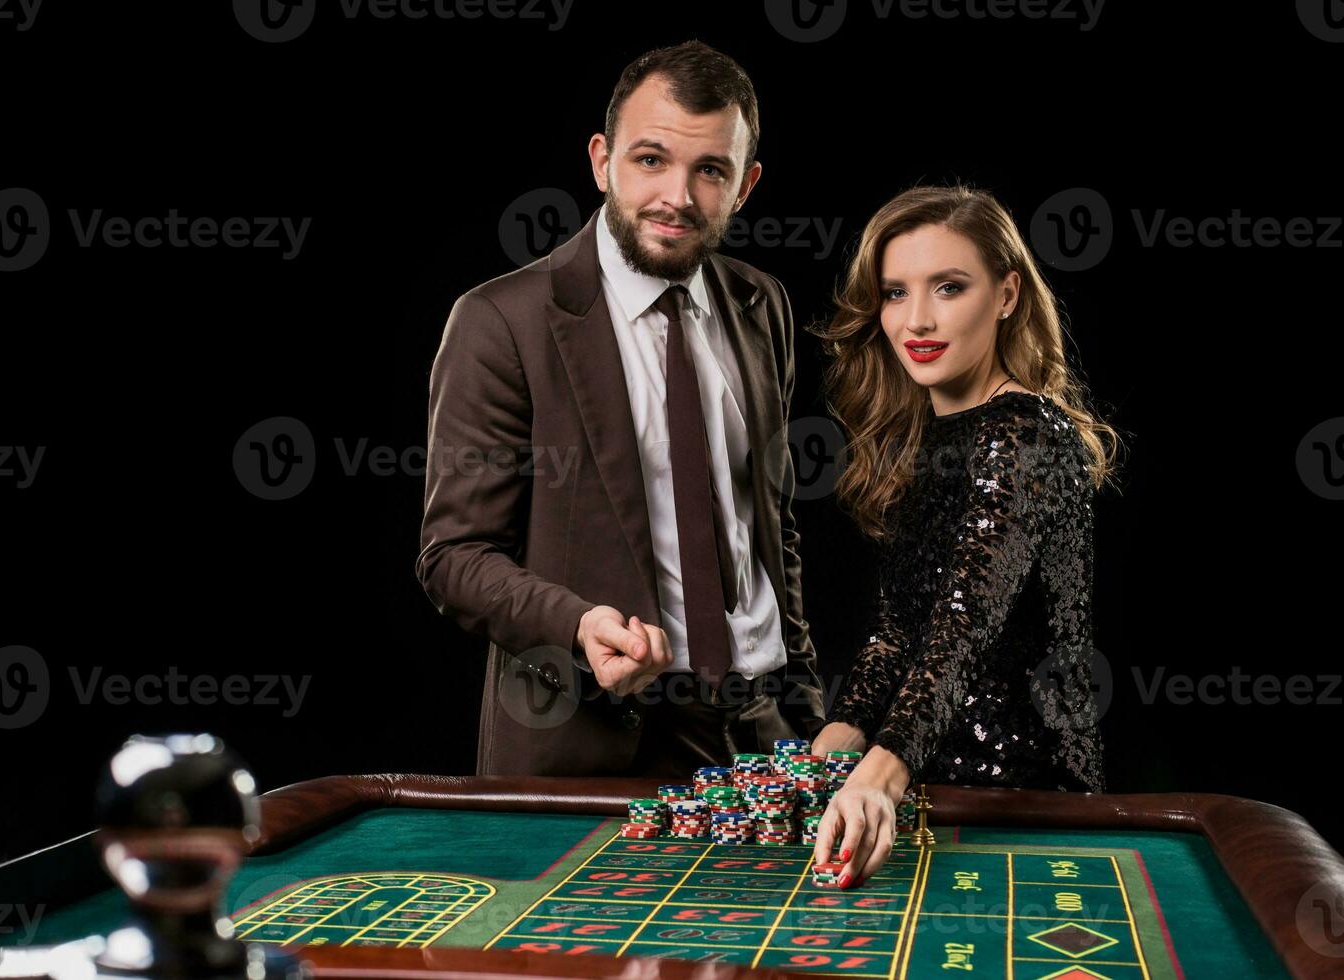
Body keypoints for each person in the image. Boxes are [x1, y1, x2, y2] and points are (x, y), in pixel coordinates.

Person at [416, 40, 827, 777]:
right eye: (650, 160)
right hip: (595, 739)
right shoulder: (501, 321)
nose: (677, 196)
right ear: (602, 160)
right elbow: (454, 557)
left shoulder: (762, 304)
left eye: (710, 170)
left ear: (745, 185)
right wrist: (576, 625)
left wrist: (806, 701)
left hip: (768, 730)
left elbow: (769, 520)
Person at [807, 183, 1122, 888]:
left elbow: (963, 628)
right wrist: (835, 742)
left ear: (1007, 294)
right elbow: (898, 634)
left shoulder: (1030, 434)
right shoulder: (924, 440)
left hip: (1024, 804)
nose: (917, 318)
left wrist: (878, 772)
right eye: (894, 293)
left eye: (948, 287)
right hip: (923, 789)